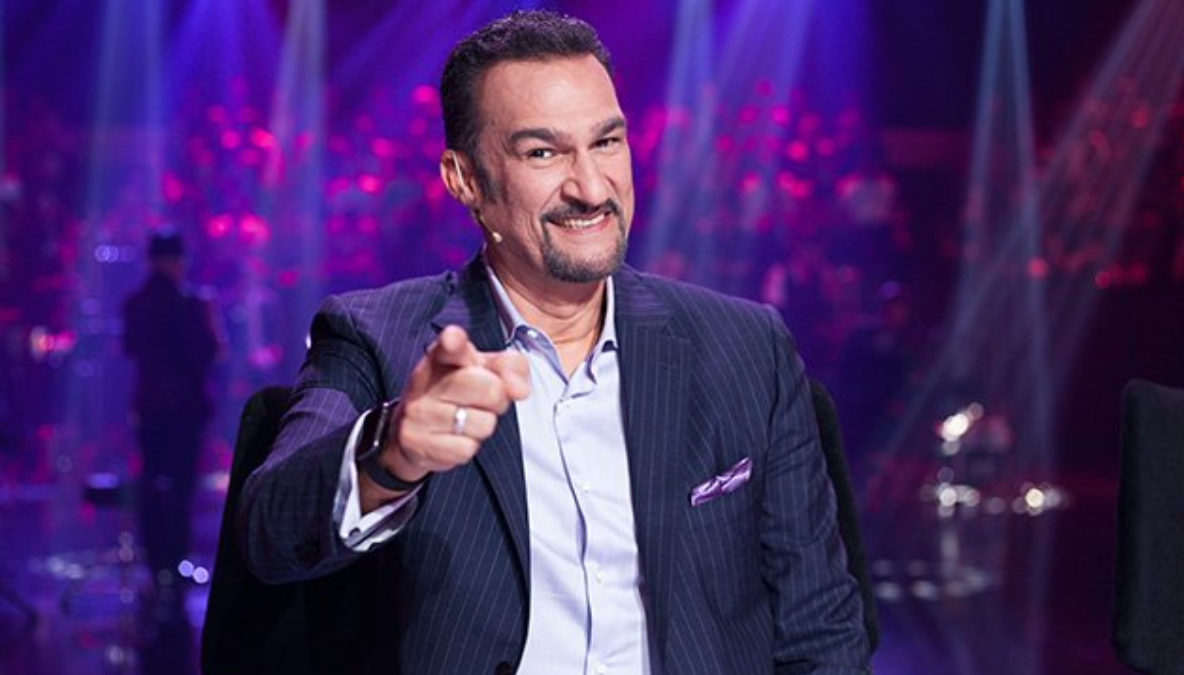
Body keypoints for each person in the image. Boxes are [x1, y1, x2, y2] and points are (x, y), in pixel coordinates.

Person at [240, 10, 870, 674]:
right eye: (543, 153)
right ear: (465, 180)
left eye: (606, 142)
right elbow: (270, 535)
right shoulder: (376, 337)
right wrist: (392, 453)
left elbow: (820, 624)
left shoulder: (745, 347)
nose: (591, 188)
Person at [123, 230, 219, 601]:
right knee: (180, 488)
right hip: (184, 409)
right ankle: (176, 561)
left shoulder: (137, 303)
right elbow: (209, 351)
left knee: (153, 484)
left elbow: (130, 348)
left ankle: (156, 564)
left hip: (151, 407)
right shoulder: (192, 304)